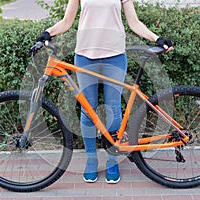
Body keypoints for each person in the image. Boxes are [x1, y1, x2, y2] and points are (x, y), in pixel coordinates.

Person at [36, 0, 173, 184]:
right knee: (87, 110)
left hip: (115, 56)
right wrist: (48, 32)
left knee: (113, 108)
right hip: (85, 56)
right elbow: (67, 21)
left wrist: (156, 38)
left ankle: (112, 160)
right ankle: (91, 159)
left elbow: (134, 23)